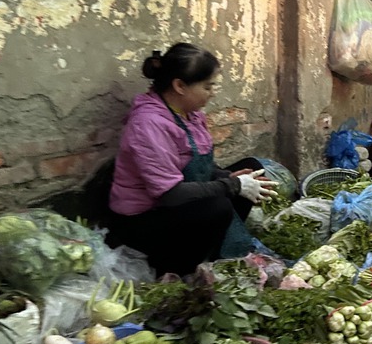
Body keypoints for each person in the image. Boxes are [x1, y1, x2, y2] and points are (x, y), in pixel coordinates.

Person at [107, 43, 277, 277]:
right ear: (179, 86)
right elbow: (169, 194)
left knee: (253, 170)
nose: (213, 92)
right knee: (218, 205)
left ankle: (211, 250)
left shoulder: (190, 114)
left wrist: (227, 177)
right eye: (208, 86)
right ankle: (177, 269)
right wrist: (231, 185)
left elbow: (201, 165)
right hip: (143, 219)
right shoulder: (148, 124)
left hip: (176, 201)